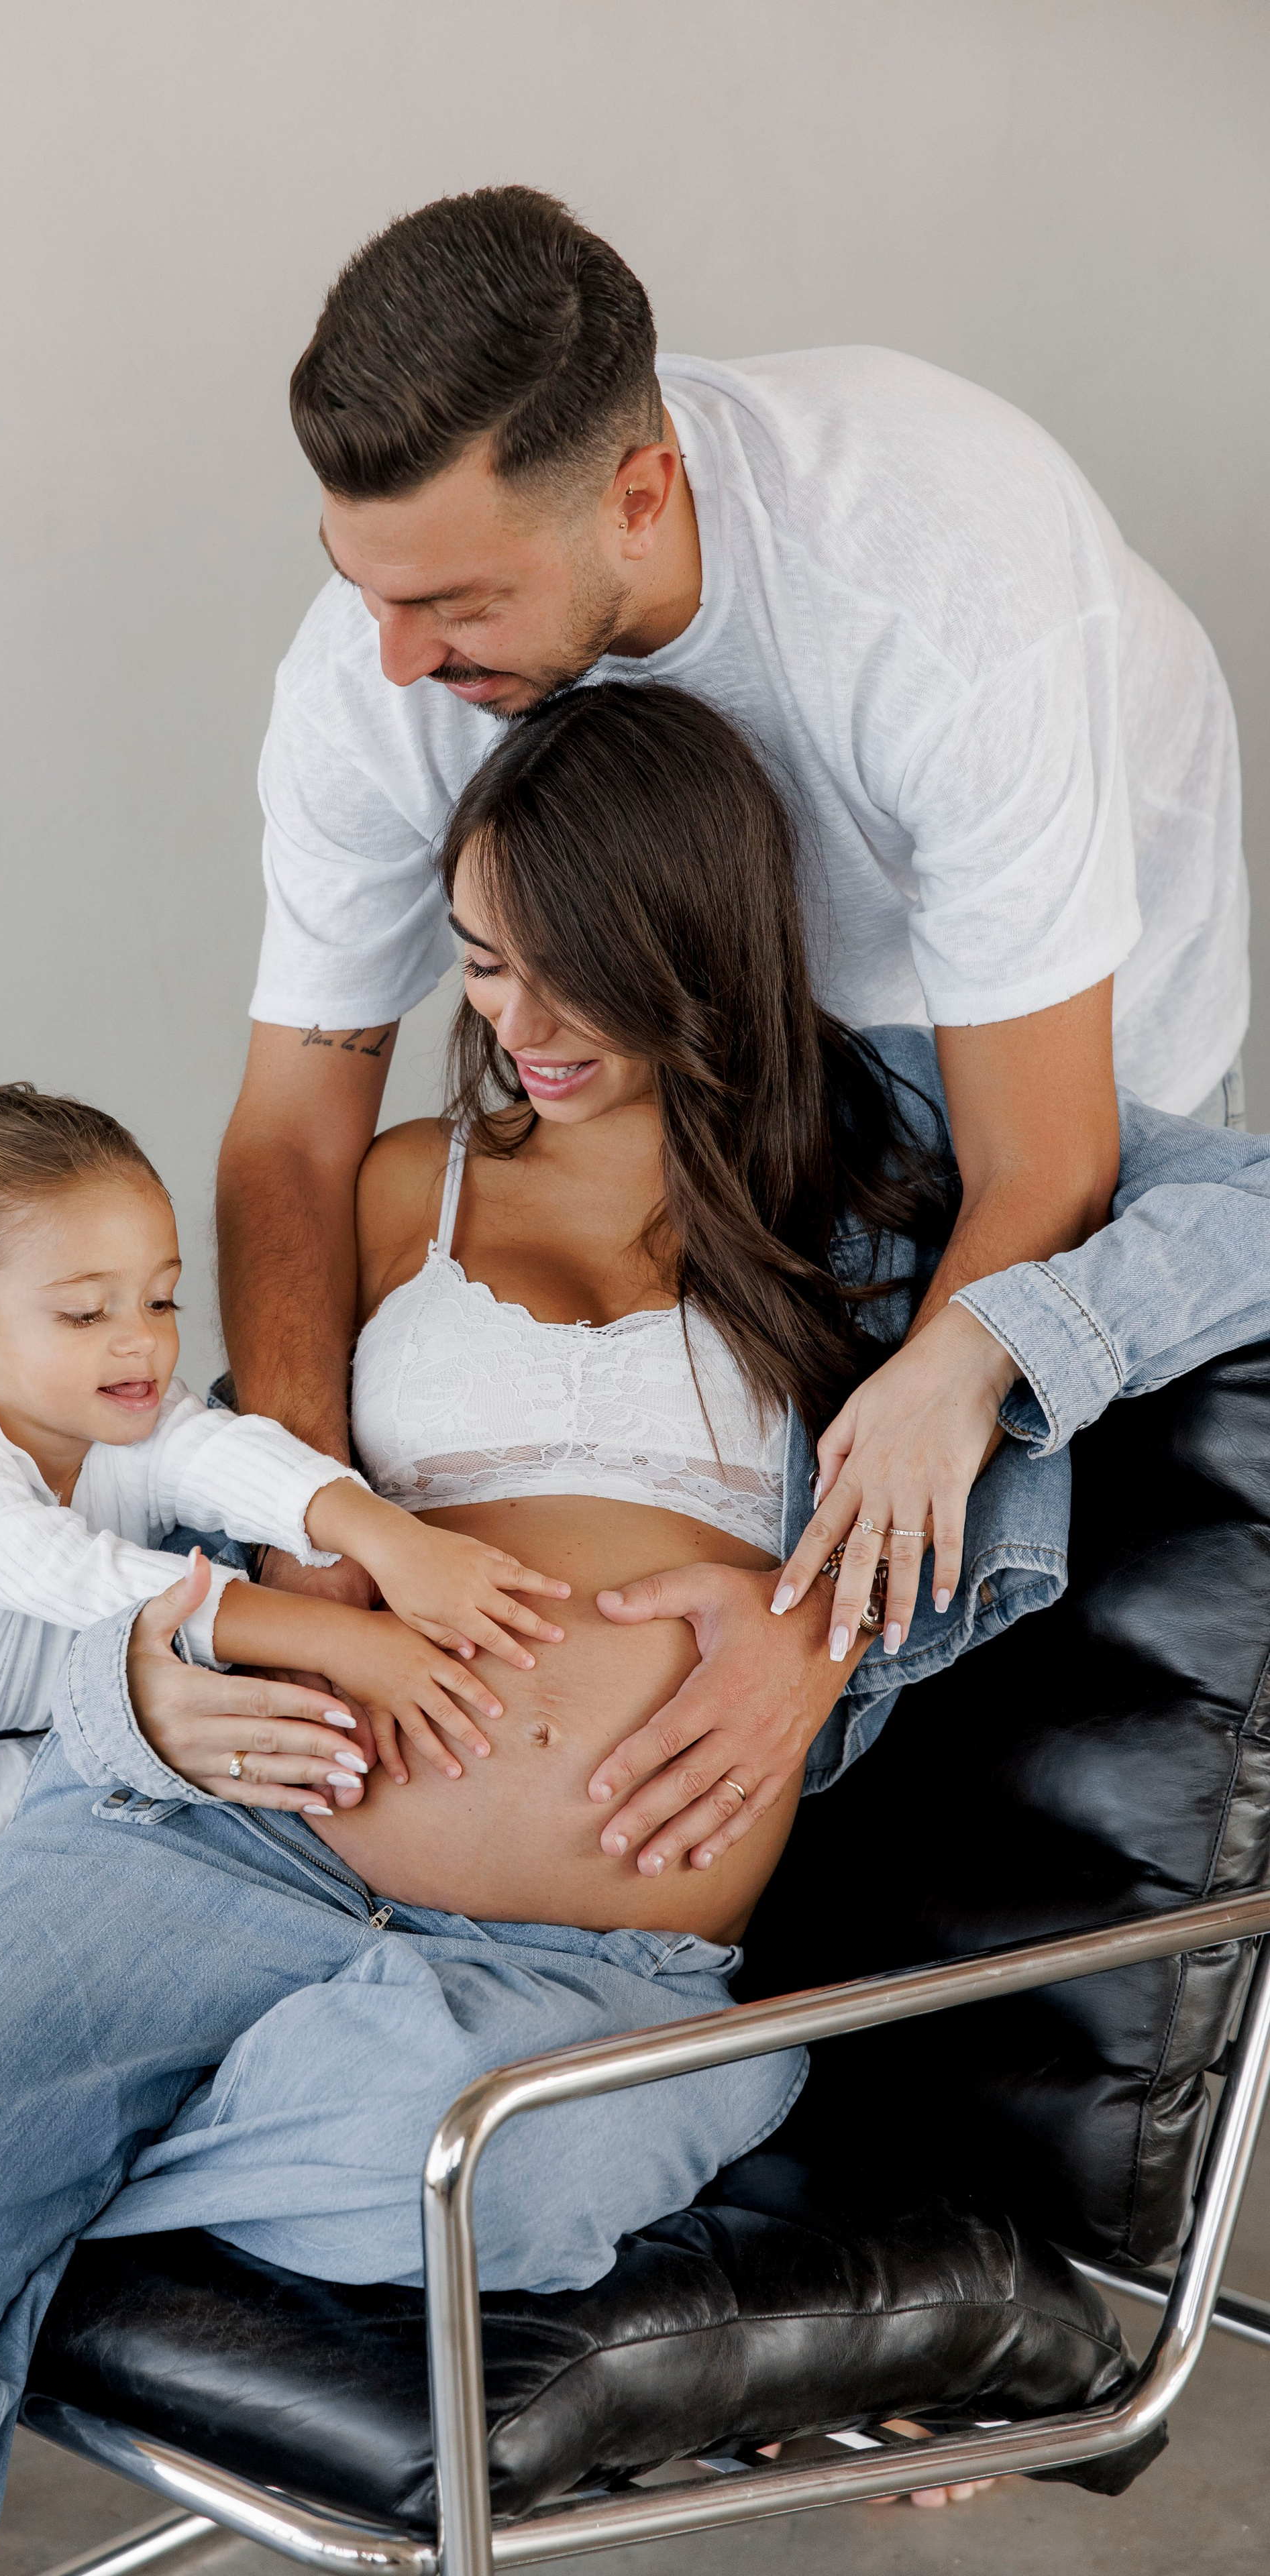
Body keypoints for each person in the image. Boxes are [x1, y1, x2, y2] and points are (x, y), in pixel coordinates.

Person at [0, 686, 1267, 2572]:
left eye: (574, 980)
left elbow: (1252, 1211)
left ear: (694, 954)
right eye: (480, 967)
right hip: (224, 1848)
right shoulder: (393, 1190)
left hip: (577, 1979)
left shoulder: (863, 1197)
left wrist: (974, 1359)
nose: (516, 1028)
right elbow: (163, 1530)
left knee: (500, 2179)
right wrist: (148, 1691)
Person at [217, 183, 1247, 1875]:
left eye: (456, 606)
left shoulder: (936, 592)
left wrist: (829, 1620)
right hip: (669, 1039)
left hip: (1003, 1037)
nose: (394, 661)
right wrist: (310, 1529)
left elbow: (1037, 1158)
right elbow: (289, 1136)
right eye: (361, 589)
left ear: (638, 496)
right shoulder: (382, 655)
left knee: (955, 1403)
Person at [0, 1079, 575, 2013]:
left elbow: (227, 1454)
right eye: (88, 1314)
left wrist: (389, 1539)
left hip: (13, 1877)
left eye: (162, 1302)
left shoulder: (118, 1424)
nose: (141, 1345)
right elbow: (96, 1581)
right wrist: (349, 1641)